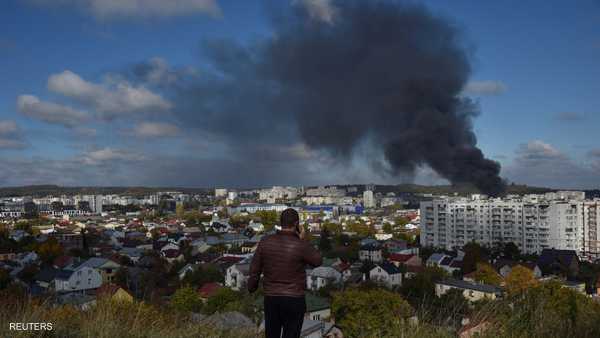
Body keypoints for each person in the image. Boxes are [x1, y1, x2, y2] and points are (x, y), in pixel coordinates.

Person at [248, 208, 322, 338]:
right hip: (294, 299)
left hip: (271, 299)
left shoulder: (266, 241)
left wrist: (252, 287)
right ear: (296, 224)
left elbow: (255, 269)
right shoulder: (300, 245)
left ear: (280, 223)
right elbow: (317, 261)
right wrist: (303, 240)